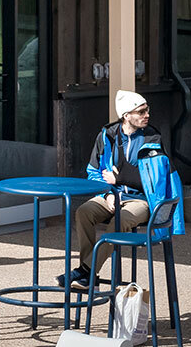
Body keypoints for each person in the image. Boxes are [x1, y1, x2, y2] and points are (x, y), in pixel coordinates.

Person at [63, 90, 160, 289]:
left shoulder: (153, 138)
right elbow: (93, 171)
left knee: (121, 219)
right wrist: (107, 194)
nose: (146, 115)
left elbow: (153, 179)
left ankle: (86, 271)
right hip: (111, 195)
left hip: (142, 199)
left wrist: (121, 178)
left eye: (147, 110)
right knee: (83, 213)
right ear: (126, 116)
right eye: (141, 112)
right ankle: (90, 275)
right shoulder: (107, 136)